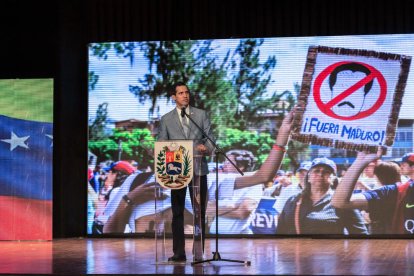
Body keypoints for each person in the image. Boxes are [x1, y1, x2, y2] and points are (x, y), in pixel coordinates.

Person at [157, 82, 214, 262]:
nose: (184, 95)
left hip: (198, 170)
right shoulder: (166, 119)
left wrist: (207, 147)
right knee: (178, 212)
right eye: (180, 93)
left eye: (186, 92)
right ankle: (178, 253)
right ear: (174, 97)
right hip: (176, 172)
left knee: (200, 212)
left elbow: (211, 139)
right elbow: (161, 145)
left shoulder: (201, 115)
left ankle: (199, 252)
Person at [276, 157, 368, 235]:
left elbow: (361, 235)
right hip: (293, 254)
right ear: (308, 177)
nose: (320, 174)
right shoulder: (293, 201)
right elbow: (280, 232)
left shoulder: (342, 202)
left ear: (333, 179)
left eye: (326, 172)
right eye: (316, 171)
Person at [332, 150, 413, 235]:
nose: (401, 166)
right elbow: (339, 202)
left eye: (404, 164)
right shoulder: (395, 192)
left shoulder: (396, 191)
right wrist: (360, 161)